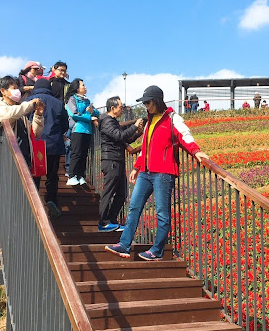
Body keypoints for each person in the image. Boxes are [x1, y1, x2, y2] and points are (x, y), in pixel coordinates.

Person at [106, 85, 209, 261]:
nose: (146, 105)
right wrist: (137, 167)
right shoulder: (150, 120)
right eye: (144, 103)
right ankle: (124, 245)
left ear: (157, 101)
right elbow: (145, 146)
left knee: (162, 212)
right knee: (134, 207)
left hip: (164, 172)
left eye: (148, 102)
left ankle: (157, 250)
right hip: (146, 172)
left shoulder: (172, 118)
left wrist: (195, 151)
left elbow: (185, 136)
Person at [97, 96, 144, 232]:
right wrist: (134, 126)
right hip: (111, 160)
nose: (122, 109)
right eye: (120, 107)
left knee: (122, 193)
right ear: (113, 108)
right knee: (109, 192)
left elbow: (125, 138)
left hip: (117, 160)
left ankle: (112, 220)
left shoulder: (113, 122)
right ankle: (103, 222)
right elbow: (118, 135)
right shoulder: (106, 121)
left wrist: (138, 132)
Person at [27, 78, 69, 218]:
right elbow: (65, 124)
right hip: (54, 144)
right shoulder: (58, 103)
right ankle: (51, 200)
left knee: (35, 174)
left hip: (35, 144)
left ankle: (34, 203)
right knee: (52, 175)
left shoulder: (29, 101)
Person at [0, 75, 44, 167]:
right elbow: (8, 115)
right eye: (14, 88)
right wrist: (29, 105)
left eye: (17, 88)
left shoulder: (20, 112)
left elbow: (34, 133)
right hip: (8, 159)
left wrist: (38, 115)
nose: (17, 91)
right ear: (3, 91)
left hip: (24, 158)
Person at [65, 78, 99, 186]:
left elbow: (96, 112)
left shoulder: (87, 100)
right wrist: (89, 117)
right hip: (78, 129)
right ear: (77, 88)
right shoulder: (72, 99)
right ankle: (72, 175)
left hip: (87, 130)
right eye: (82, 85)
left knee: (84, 154)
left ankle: (80, 175)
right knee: (77, 153)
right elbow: (74, 113)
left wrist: (92, 111)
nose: (85, 87)